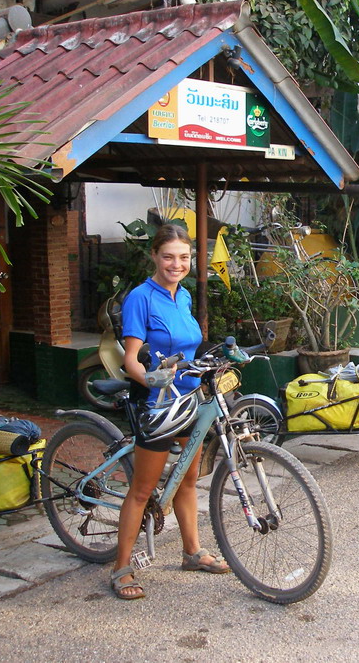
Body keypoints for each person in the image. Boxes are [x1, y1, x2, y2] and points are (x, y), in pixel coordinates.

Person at [110, 224, 229, 600]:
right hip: (158, 404)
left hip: (189, 400)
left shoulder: (184, 296)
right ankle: (121, 568)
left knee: (187, 478)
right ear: (154, 257)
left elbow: (190, 346)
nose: (176, 264)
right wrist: (154, 382)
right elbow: (130, 360)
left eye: (183, 257)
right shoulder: (140, 299)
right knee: (143, 489)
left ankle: (192, 551)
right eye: (168, 257)